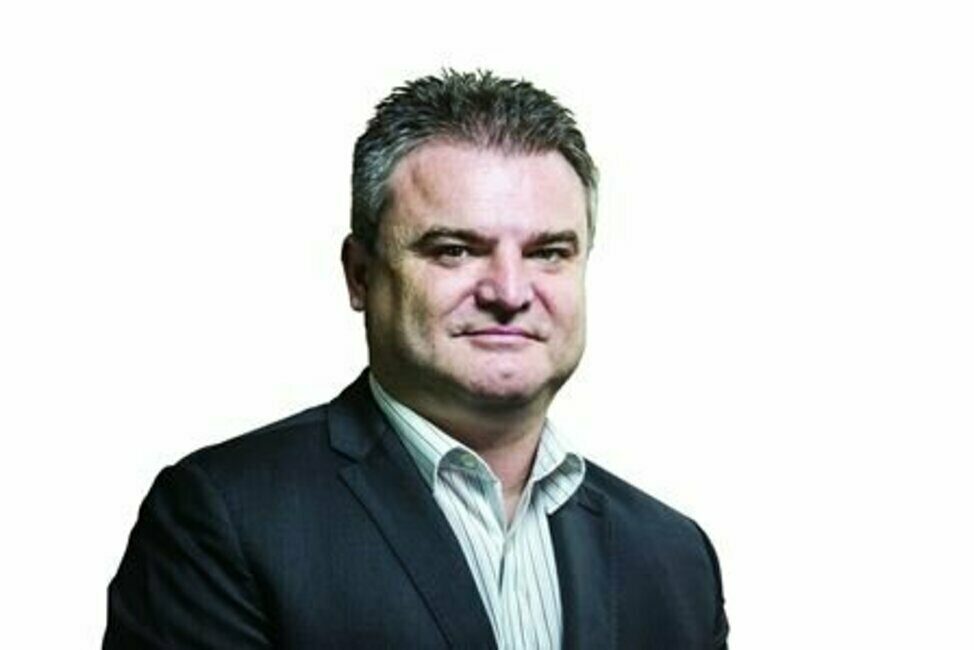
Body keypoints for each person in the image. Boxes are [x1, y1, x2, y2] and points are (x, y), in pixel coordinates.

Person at [104, 70, 730, 649]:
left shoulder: (674, 559)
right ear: (360, 274)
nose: (510, 292)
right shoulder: (225, 517)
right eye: (455, 249)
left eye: (548, 252)